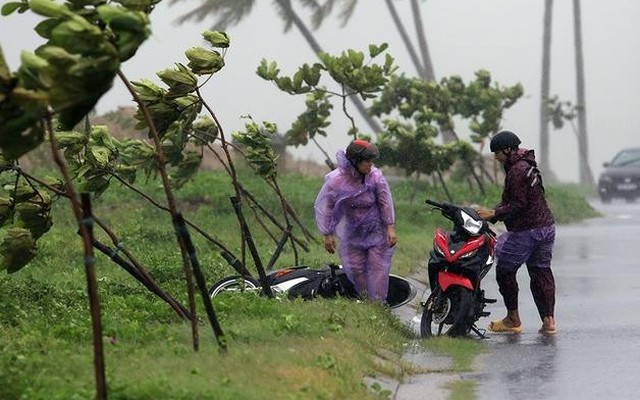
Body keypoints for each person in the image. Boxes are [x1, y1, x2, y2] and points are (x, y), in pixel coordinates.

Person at [476, 130, 557, 335]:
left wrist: (494, 213)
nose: (495, 157)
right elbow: (512, 200)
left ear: (507, 149)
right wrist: (493, 213)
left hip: (527, 230)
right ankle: (549, 322)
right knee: (541, 272)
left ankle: (513, 319)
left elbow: (518, 204)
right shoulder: (525, 165)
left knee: (504, 270)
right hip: (546, 228)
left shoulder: (517, 171)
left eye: (497, 153)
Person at [314, 139, 397, 302]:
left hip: (376, 233)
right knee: (355, 268)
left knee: (377, 268)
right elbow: (327, 206)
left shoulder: (375, 177)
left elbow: (385, 202)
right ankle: (366, 299)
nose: (370, 165)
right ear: (355, 161)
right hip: (353, 234)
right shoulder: (337, 180)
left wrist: (390, 227)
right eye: (366, 161)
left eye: (371, 161)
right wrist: (327, 234)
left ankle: (378, 304)